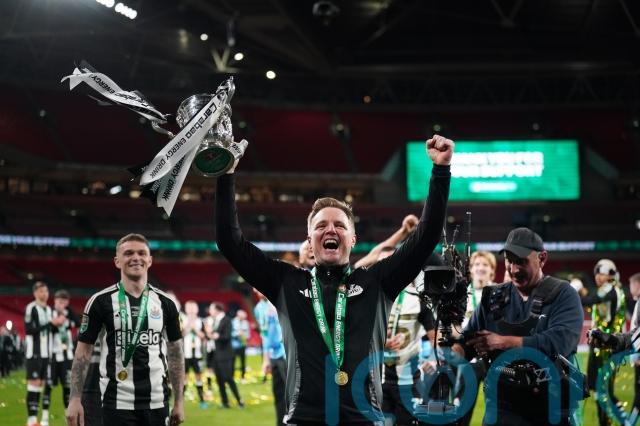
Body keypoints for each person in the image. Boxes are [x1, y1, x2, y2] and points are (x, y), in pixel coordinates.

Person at [215, 135, 452, 423]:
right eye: (321, 226)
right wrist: (226, 175)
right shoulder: (286, 282)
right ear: (309, 239)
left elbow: (426, 237)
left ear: (352, 239)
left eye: (340, 225)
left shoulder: (377, 282)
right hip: (303, 420)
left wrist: (441, 170)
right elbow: (229, 242)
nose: (330, 230)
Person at [458, 227, 584, 426]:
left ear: (542, 258)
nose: (514, 269)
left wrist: (503, 342)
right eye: (509, 260)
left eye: (521, 261)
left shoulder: (563, 294)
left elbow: (559, 343)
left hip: (549, 408)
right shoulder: (493, 297)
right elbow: (467, 343)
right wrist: (448, 352)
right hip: (502, 408)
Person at [65, 233, 185, 426]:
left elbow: (176, 354)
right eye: (128, 253)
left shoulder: (166, 303)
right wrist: (74, 399)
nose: (136, 258)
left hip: (157, 401)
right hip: (115, 403)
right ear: (117, 261)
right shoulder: (100, 301)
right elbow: (82, 353)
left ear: (150, 260)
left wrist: (179, 402)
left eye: (142, 253)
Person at [579, 259, 625, 426]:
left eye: (601, 273)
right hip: (600, 347)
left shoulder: (611, 290)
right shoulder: (606, 290)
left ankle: (620, 420)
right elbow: (592, 303)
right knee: (597, 389)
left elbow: (590, 301)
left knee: (604, 390)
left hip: (607, 348)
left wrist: (577, 290)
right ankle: (616, 419)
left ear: (611, 275)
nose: (597, 277)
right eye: (596, 274)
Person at [25, 281, 62, 426]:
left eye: (46, 291)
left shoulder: (49, 310)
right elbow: (29, 330)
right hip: (35, 352)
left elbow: (52, 330)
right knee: (33, 384)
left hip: (48, 353)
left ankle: (37, 419)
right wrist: (51, 324)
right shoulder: (31, 308)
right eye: (41, 291)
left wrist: (57, 325)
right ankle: (31, 420)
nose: (44, 294)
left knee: (42, 384)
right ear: (35, 293)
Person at [42, 290, 78, 426]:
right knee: (48, 386)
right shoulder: (48, 312)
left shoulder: (69, 313)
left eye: (64, 302)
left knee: (67, 387)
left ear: (67, 303)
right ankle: (45, 418)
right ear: (54, 301)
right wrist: (54, 324)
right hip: (52, 356)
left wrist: (66, 314)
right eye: (59, 301)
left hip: (67, 357)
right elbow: (45, 330)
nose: (61, 304)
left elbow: (78, 323)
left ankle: (67, 416)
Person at [254, 288, 287, 426]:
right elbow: (264, 334)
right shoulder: (259, 308)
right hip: (274, 356)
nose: (256, 290)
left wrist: (280, 313)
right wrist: (266, 359)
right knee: (278, 393)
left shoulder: (282, 301)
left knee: (293, 394)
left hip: (287, 354)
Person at [210, 302, 244, 408]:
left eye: (211, 309)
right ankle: (225, 402)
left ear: (217, 309)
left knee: (228, 378)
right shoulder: (214, 321)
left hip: (225, 354)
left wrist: (217, 336)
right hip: (216, 354)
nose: (210, 311)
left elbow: (227, 336)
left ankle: (239, 400)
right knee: (219, 379)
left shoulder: (227, 320)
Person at [354, 215, 419, 269]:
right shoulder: (358, 274)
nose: (388, 255)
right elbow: (378, 251)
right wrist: (404, 231)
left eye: (391, 255)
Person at [182, 300, 207, 409]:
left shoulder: (200, 321)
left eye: (193, 308)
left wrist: (195, 329)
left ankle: (202, 400)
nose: (192, 311)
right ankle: (180, 401)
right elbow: (180, 335)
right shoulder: (182, 320)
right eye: (189, 308)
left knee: (198, 376)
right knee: (184, 377)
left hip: (197, 354)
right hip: (185, 354)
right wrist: (188, 326)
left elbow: (204, 336)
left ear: (197, 309)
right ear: (186, 309)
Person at [203, 302, 218, 399]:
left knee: (217, 366)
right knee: (209, 366)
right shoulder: (207, 320)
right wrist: (209, 332)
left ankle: (219, 383)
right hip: (209, 347)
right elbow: (207, 333)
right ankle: (209, 385)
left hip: (218, 347)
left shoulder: (219, 320)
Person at [232, 309, 250, 380]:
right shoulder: (233, 322)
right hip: (234, 345)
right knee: (232, 361)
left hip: (242, 345)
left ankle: (243, 376)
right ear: (238, 315)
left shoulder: (246, 323)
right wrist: (237, 334)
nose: (244, 318)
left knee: (243, 361)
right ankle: (232, 376)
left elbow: (248, 334)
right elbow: (230, 333)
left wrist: (244, 335)